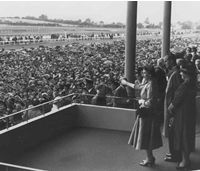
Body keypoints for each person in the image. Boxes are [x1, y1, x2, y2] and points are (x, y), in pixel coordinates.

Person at [122, 65, 162, 167]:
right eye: (143, 73)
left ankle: (149, 159)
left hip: (148, 113)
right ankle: (150, 157)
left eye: (145, 73)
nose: (143, 75)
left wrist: (141, 101)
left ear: (150, 73)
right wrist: (126, 83)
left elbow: (151, 101)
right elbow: (138, 87)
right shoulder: (147, 81)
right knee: (146, 137)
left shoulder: (152, 84)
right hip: (145, 112)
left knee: (146, 137)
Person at [168, 64, 196, 169]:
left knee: (183, 136)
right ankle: (186, 159)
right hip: (189, 113)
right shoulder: (192, 84)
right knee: (187, 136)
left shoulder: (184, 85)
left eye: (182, 72)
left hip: (182, 115)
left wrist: (170, 110)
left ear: (186, 74)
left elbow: (175, 102)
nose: (180, 74)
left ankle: (185, 161)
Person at [163, 53, 182, 163]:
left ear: (171, 61)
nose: (165, 63)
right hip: (171, 107)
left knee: (172, 132)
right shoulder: (174, 72)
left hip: (172, 108)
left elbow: (176, 92)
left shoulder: (175, 73)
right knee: (172, 131)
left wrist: (172, 109)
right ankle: (173, 153)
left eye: (166, 61)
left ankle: (175, 155)